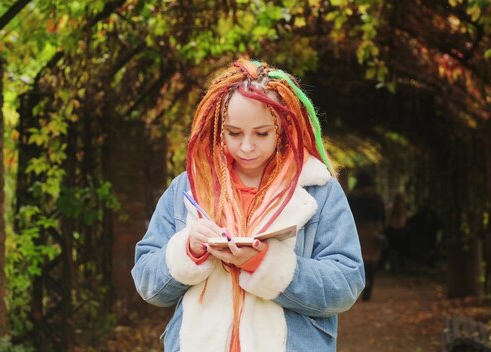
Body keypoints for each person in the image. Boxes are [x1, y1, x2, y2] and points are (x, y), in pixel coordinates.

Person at [131, 58, 364, 351]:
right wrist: (188, 250)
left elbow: (346, 284)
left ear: (282, 125)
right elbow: (146, 282)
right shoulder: (187, 187)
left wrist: (265, 263)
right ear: (219, 128)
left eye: (262, 133)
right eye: (234, 133)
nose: (247, 146)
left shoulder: (319, 189)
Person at [347, 170, 385, 301]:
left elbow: (346, 214)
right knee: (372, 260)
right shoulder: (375, 197)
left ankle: (361, 286)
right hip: (372, 229)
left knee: (359, 258)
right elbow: (382, 214)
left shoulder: (352, 197)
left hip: (357, 230)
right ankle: (369, 286)